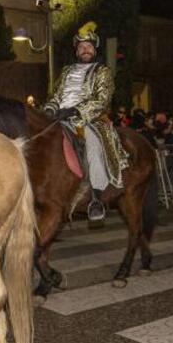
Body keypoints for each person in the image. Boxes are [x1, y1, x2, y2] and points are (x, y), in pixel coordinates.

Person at [41, 22, 129, 222]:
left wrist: (76, 110)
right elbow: (56, 95)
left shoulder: (102, 71)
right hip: (61, 117)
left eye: (89, 46)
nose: (85, 50)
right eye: (81, 47)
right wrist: (50, 109)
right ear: (76, 50)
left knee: (92, 146)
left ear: (94, 49)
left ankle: (96, 197)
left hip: (90, 119)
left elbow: (102, 99)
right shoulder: (66, 72)